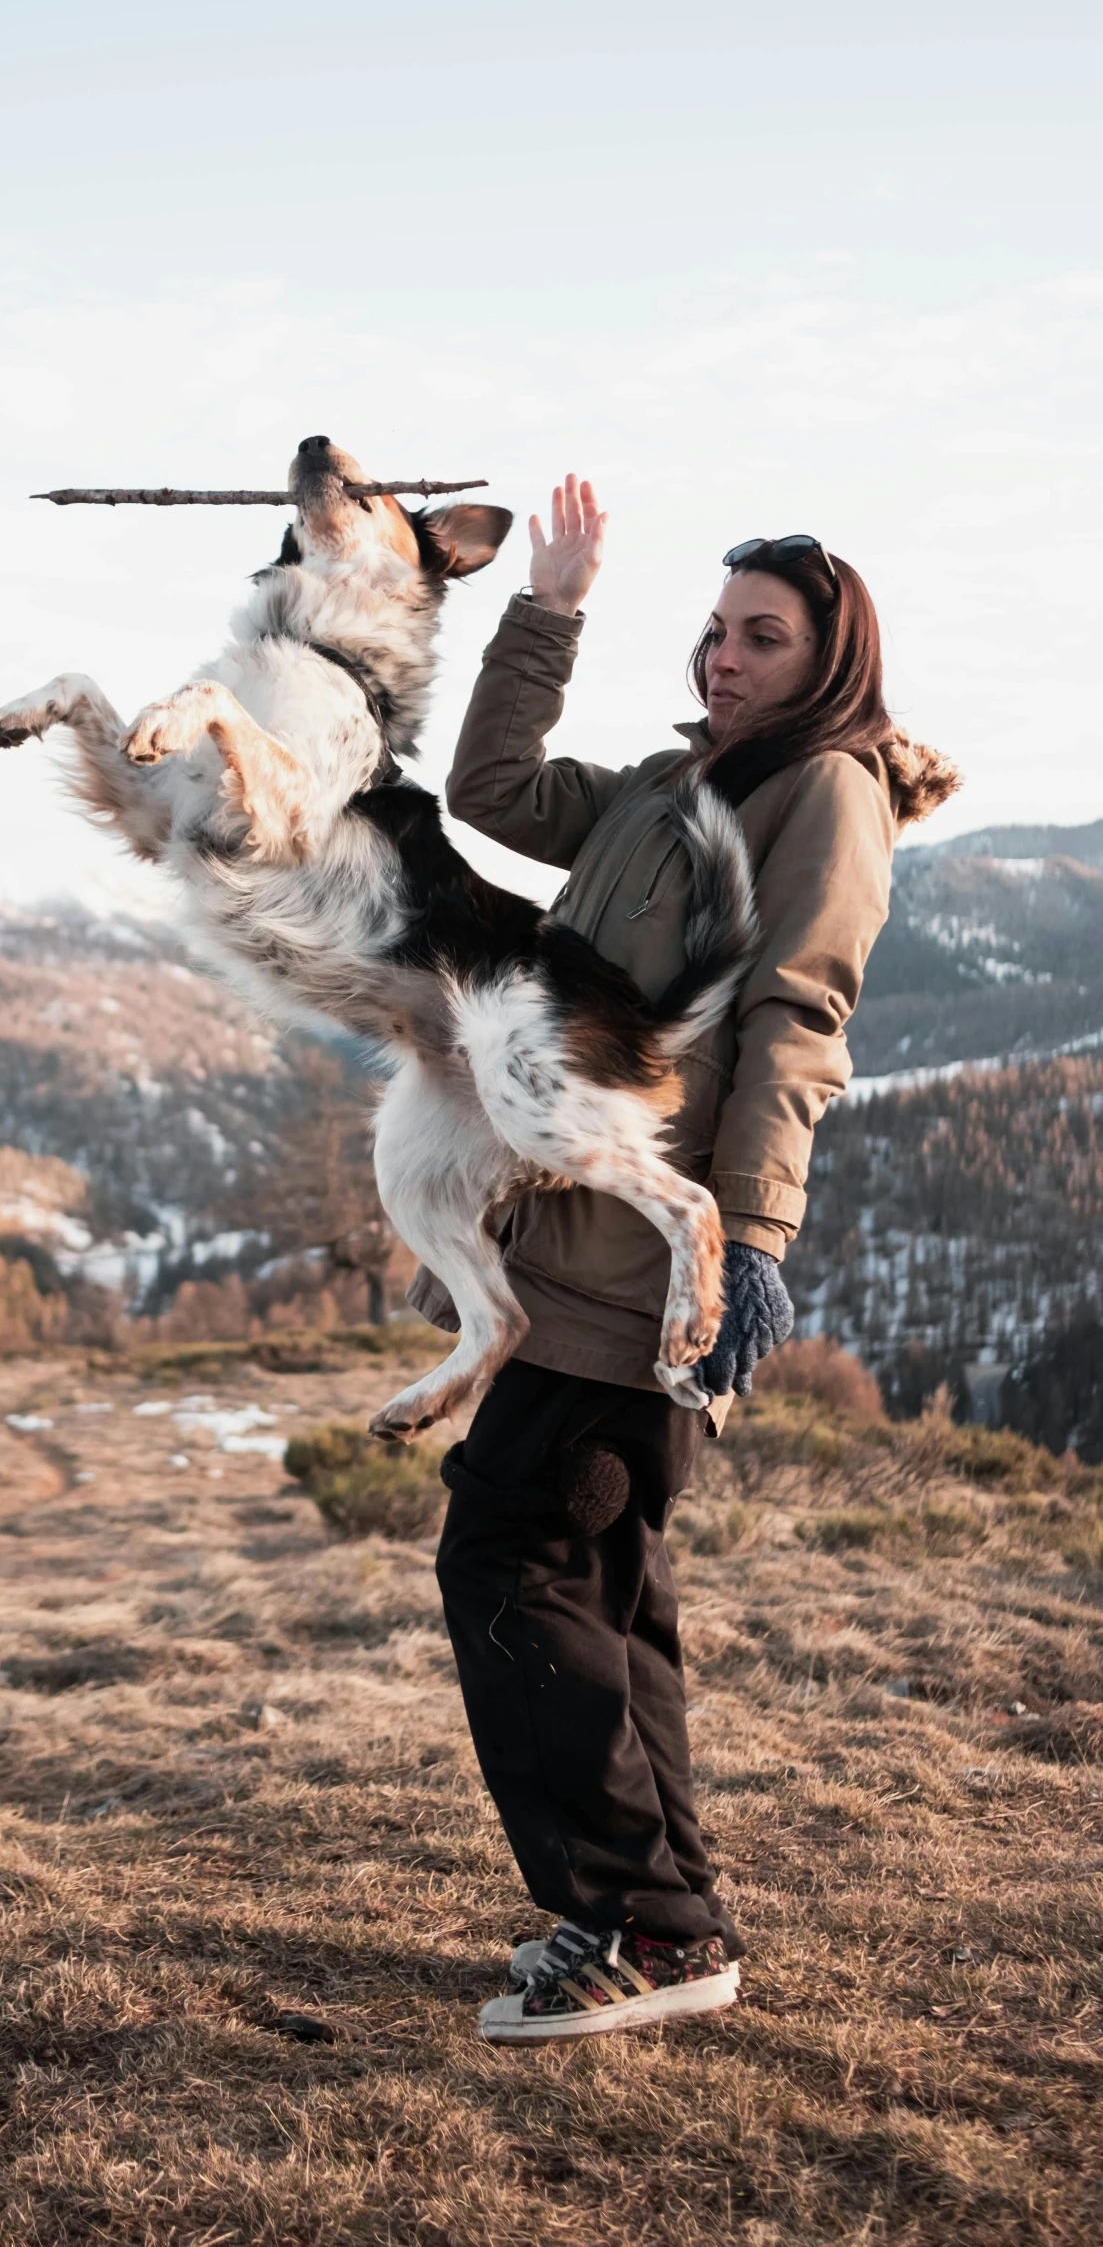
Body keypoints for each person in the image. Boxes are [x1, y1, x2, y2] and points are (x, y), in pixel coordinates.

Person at [413, 476, 959, 2042]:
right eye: (715, 630)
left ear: (828, 657)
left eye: (762, 637)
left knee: (508, 1554)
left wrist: (758, 1239)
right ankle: (665, 1918)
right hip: (569, 1241)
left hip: (657, 1269)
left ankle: (639, 1922)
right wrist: (551, 605)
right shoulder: (664, 787)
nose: (724, 658)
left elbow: (798, 1017)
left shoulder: (823, 794)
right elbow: (490, 787)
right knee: (606, 1585)